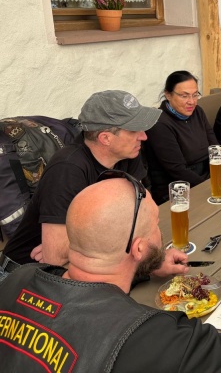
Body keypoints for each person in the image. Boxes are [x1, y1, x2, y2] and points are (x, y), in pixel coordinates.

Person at [0, 173, 221, 371]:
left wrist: (143, 269)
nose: (159, 233)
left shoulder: (18, 279)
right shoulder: (158, 338)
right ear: (138, 248)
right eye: (155, 225)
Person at [2, 90, 188, 279]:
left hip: (86, 266)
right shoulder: (67, 169)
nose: (144, 136)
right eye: (134, 130)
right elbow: (56, 259)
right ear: (105, 138)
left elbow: (144, 216)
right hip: (25, 275)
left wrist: (154, 260)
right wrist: (81, 247)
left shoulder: (128, 154)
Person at [145, 71, 218, 203]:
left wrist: (219, 177)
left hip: (206, 178)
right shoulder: (160, 124)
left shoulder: (198, 112)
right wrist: (208, 186)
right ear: (168, 95)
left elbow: (215, 147)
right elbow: (177, 170)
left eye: (195, 95)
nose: (192, 102)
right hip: (177, 190)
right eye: (184, 96)